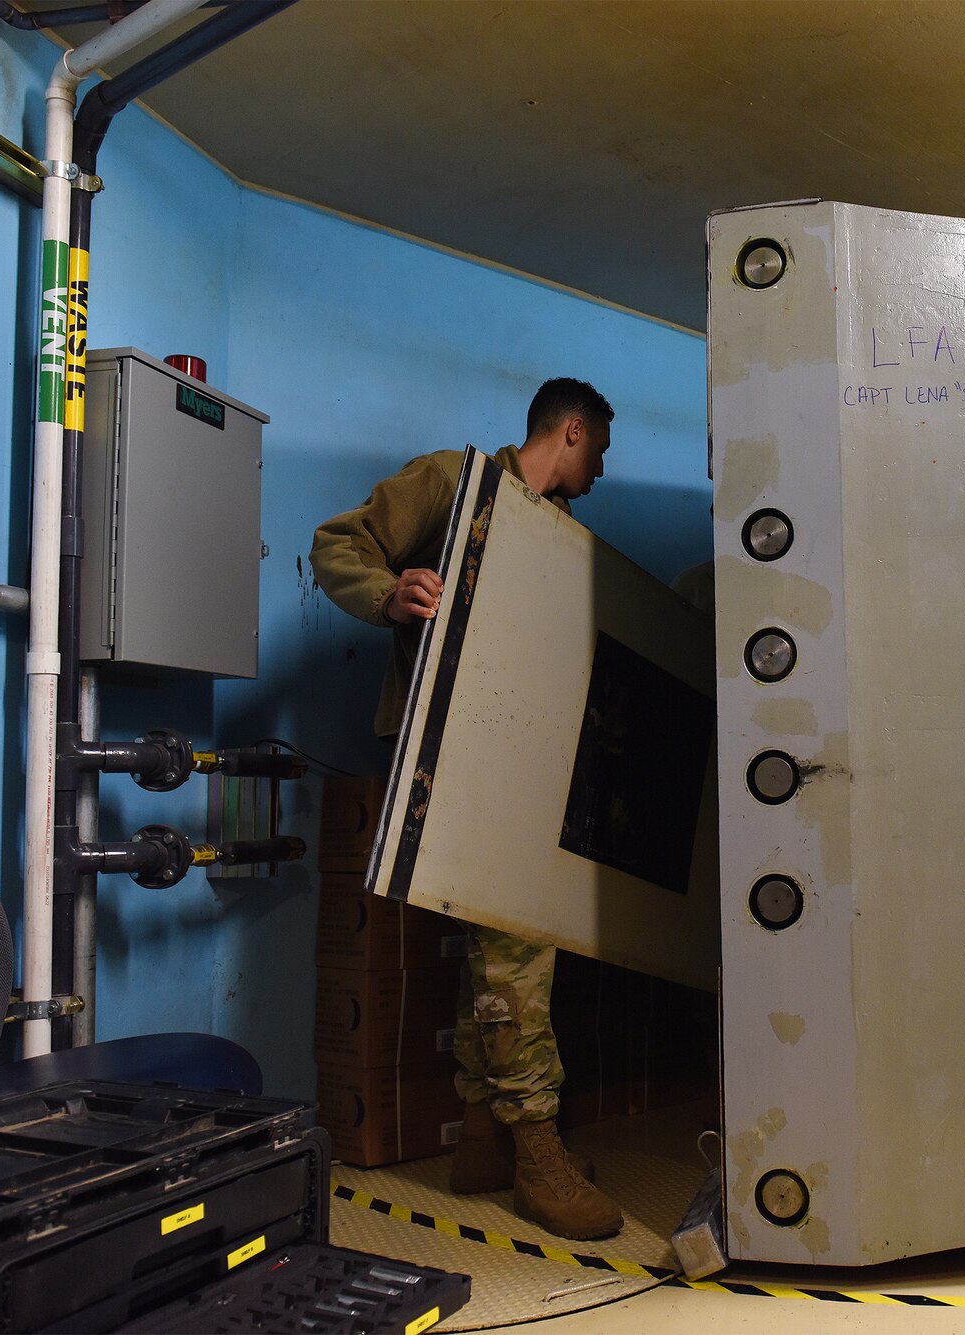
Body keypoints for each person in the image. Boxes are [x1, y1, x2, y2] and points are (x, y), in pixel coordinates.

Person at [310, 377, 624, 1238]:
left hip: (522, 763)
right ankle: (537, 1150)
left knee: (496, 943)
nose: (600, 466)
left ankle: (482, 1139)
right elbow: (339, 542)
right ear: (571, 432)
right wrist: (389, 591)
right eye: (598, 448)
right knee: (517, 946)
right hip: (452, 755)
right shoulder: (457, 483)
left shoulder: (562, 534)